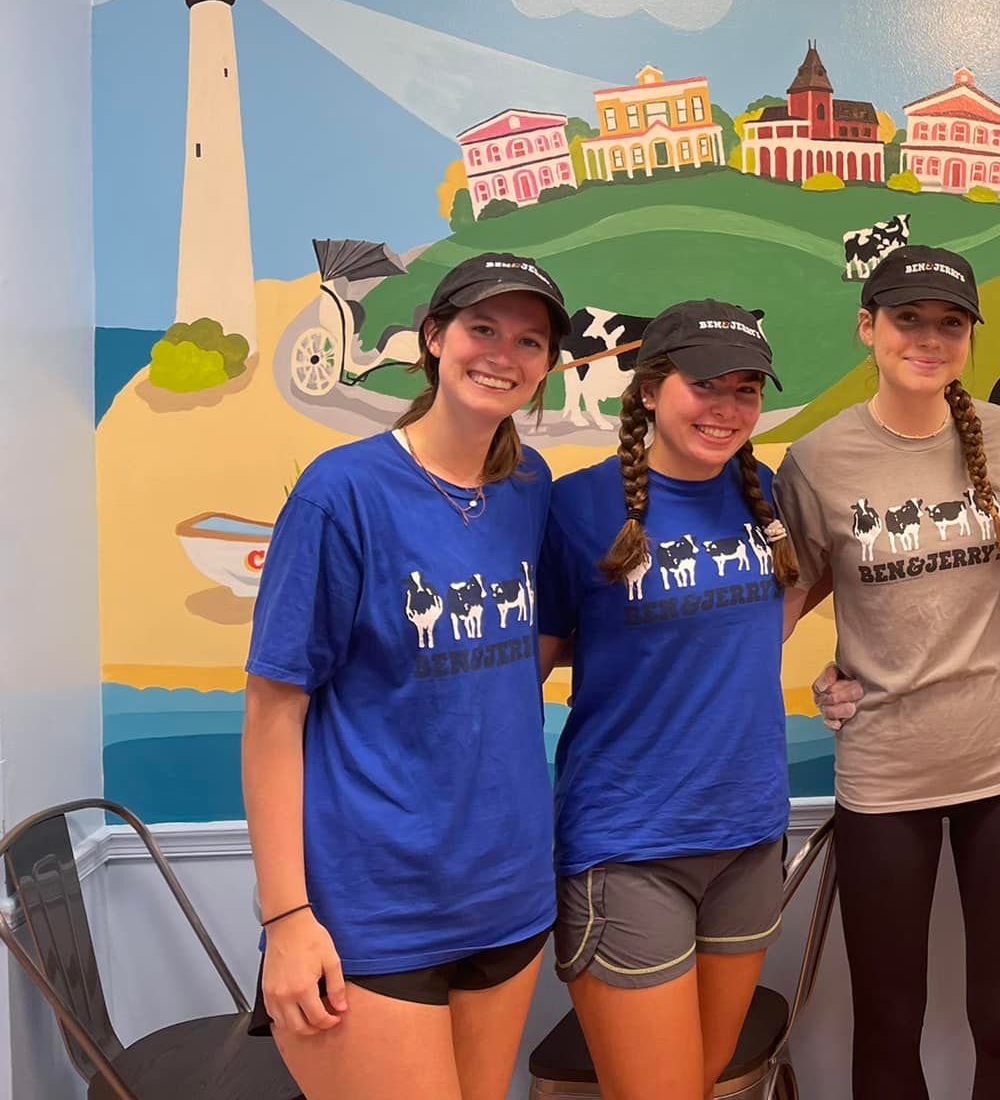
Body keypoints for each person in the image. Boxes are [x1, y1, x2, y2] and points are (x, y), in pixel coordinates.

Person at [243, 253, 568, 1100]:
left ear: (546, 367)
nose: (502, 354)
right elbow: (273, 713)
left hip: (508, 892)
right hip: (373, 907)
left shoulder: (528, 486)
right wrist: (286, 917)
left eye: (529, 341)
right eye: (481, 328)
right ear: (433, 338)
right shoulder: (341, 492)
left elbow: (520, 647)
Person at [776, 246, 1000, 1100]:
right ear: (868, 327)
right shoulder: (816, 461)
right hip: (885, 778)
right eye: (907, 319)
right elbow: (791, 598)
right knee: (889, 1022)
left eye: (950, 323)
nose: (929, 339)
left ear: (969, 337)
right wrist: (826, 677)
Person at [535, 300, 800, 1100]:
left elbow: (775, 606)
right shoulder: (577, 507)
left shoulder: (763, 492)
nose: (727, 408)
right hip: (628, 846)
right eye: (705, 385)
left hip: (748, 835)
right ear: (650, 389)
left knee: (706, 1083)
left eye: (746, 390)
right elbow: (528, 665)